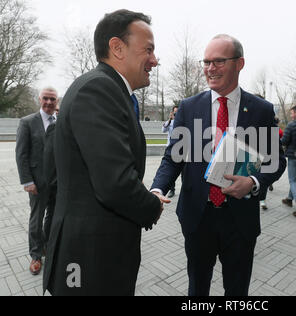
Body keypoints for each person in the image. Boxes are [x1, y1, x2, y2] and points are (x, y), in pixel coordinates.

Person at [150, 34, 286, 296]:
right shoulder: (188, 108)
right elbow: (173, 157)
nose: (210, 68)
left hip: (240, 219)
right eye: (206, 61)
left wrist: (254, 182)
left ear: (239, 63)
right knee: (197, 287)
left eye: (219, 61)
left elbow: (276, 160)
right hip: (197, 217)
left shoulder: (261, 110)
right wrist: (157, 189)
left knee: (237, 290)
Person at [43, 9, 164, 296]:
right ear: (117, 48)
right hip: (89, 259)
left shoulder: (109, 90)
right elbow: (115, 184)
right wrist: (152, 205)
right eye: (148, 50)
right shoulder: (99, 89)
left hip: (95, 253)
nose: (155, 61)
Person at [15, 87, 58, 276]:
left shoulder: (60, 122)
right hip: (37, 182)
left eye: (53, 99)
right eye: (46, 99)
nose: (49, 102)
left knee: (52, 217)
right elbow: (21, 154)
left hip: (57, 182)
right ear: (39, 99)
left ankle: (47, 247)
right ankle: (35, 254)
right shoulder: (27, 122)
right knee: (36, 218)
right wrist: (27, 181)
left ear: (57, 102)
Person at [162, 105, 179, 198]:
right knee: (171, 170)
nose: (176, 114)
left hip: (182, 148)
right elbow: (163, 130)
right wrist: (170, 119)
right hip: (171, 148)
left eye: (177, 112)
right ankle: (172, 189)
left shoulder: (183, 121)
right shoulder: (170, 122)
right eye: (174, 112)